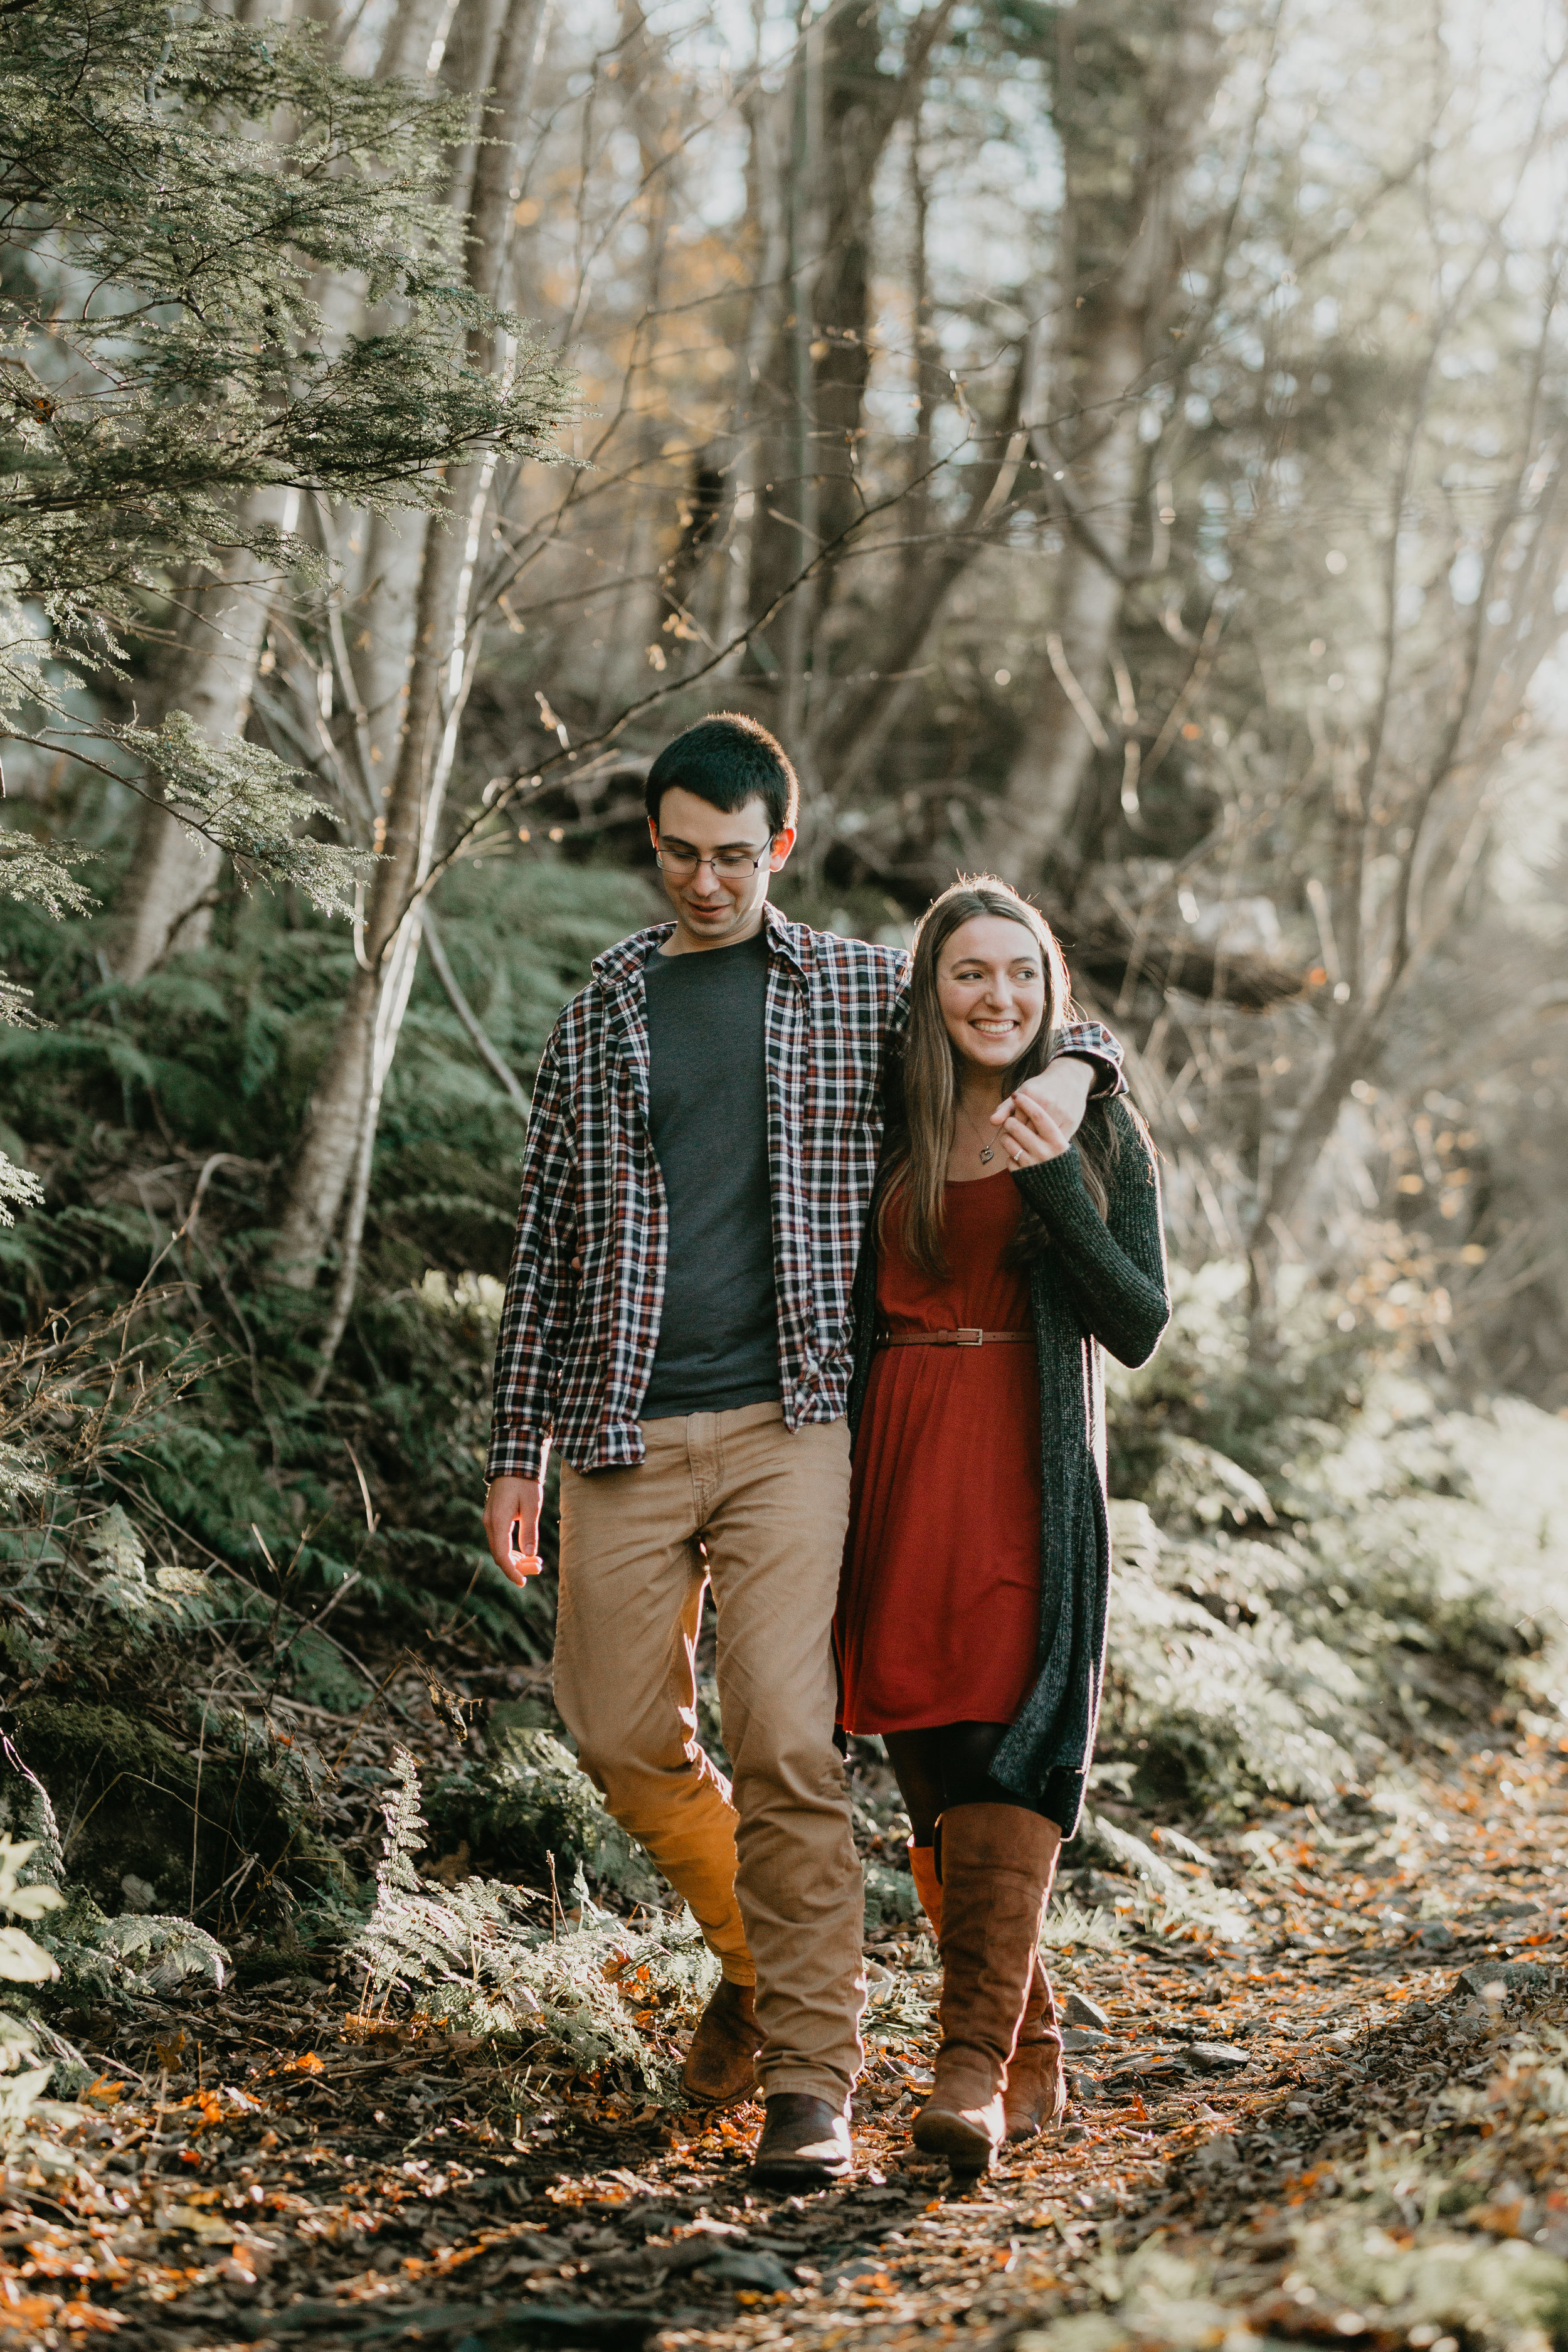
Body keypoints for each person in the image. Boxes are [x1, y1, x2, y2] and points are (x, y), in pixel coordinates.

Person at [482, 717, 1125, 2187]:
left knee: (786, 1736)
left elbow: (1010, 1000)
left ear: (778, 847)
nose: (703, 883)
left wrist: (1083, 1067)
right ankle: (760, 1958)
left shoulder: (847, 989)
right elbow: (548, 1238)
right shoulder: (605, 1005)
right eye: (676, 856)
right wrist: (515, 1440)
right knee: (617, 1737)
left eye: (731, 856)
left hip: (797, 1423)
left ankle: (810, 2087)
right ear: (649, 848)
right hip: (615, 1428)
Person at [837, 877, 1169, 2176]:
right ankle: (1023, 2048)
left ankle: (965, 2070)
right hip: (893, 1462)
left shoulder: (1094, 1130)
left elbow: (1134, 1322)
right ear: (930, 989)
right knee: (925, 1757)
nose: (997, 997)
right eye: (969, 973)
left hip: (1023, 1466)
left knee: (1008, 1744)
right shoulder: (883, 1111)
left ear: (1052, 992)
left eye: (1021, 975)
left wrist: (1052, 1175)